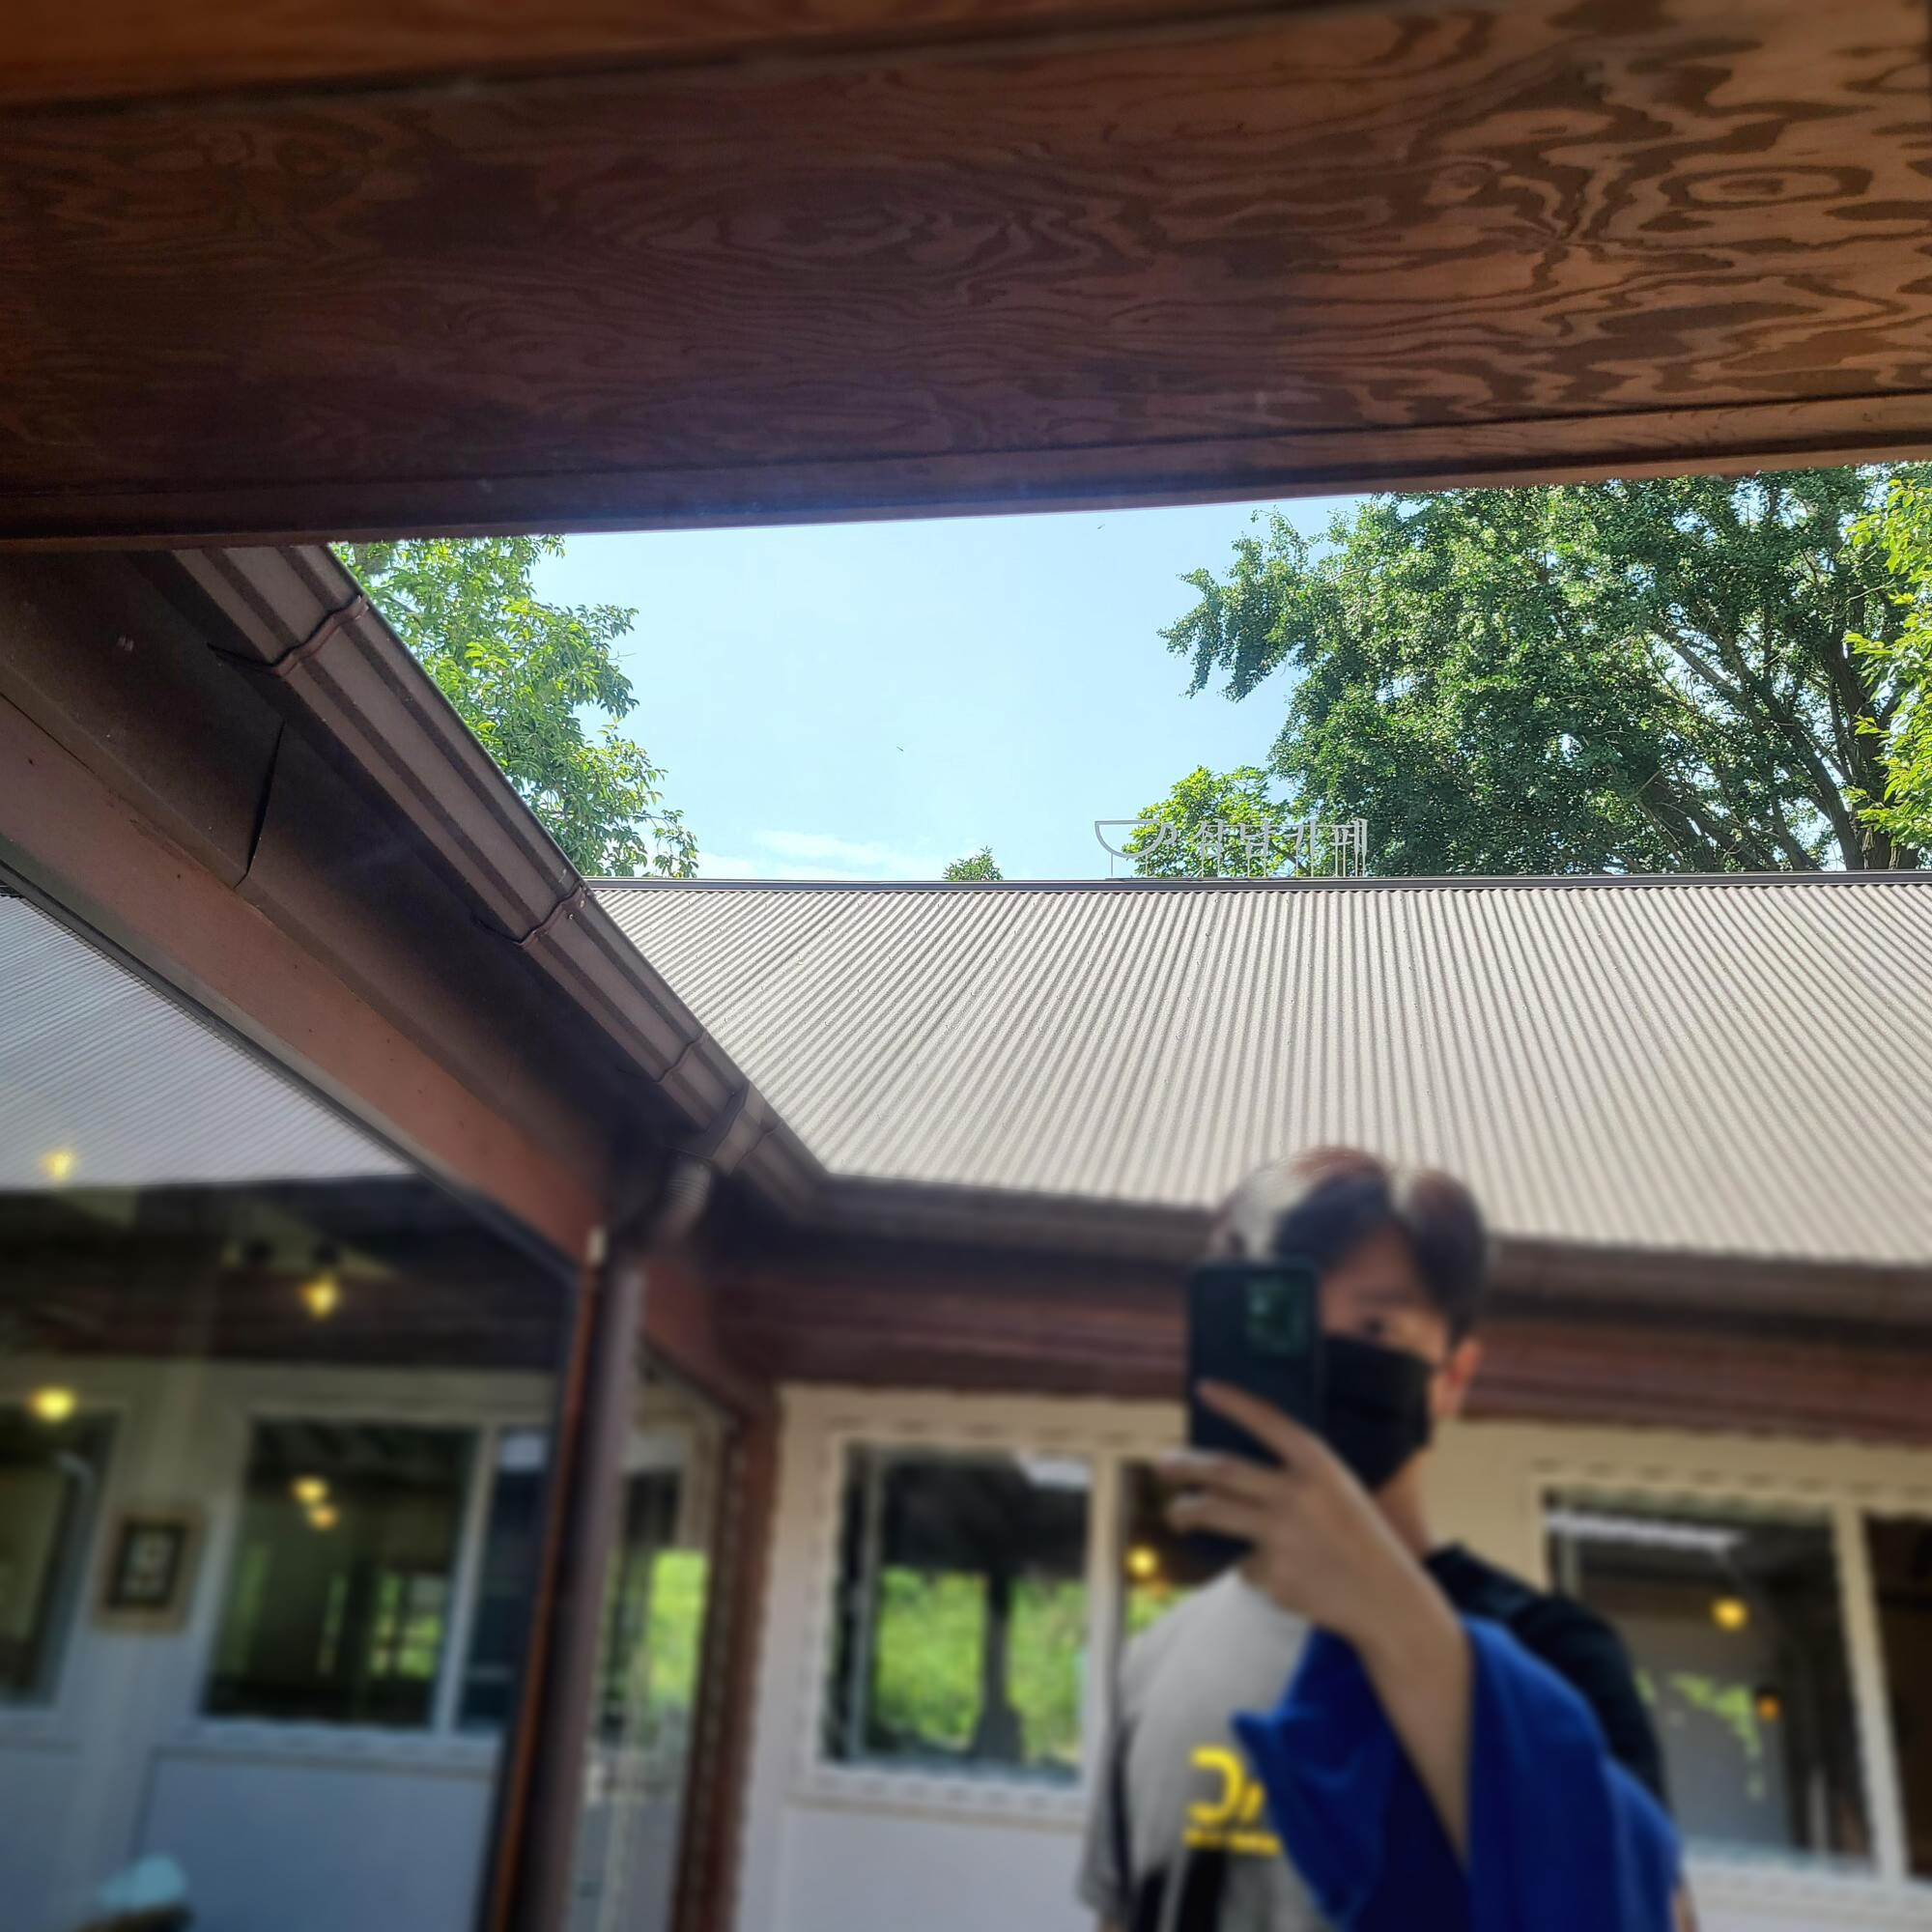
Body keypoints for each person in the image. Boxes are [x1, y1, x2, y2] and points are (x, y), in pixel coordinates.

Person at [1079, 1146, 1684, 1932]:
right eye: (1287, 1321)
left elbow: (1649, 1914)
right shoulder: (1159, 1655)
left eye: (1374, 1327)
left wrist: (1387, 1611)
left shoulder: (1556, 1657)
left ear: (1453, 1379)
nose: (1328, 1360)